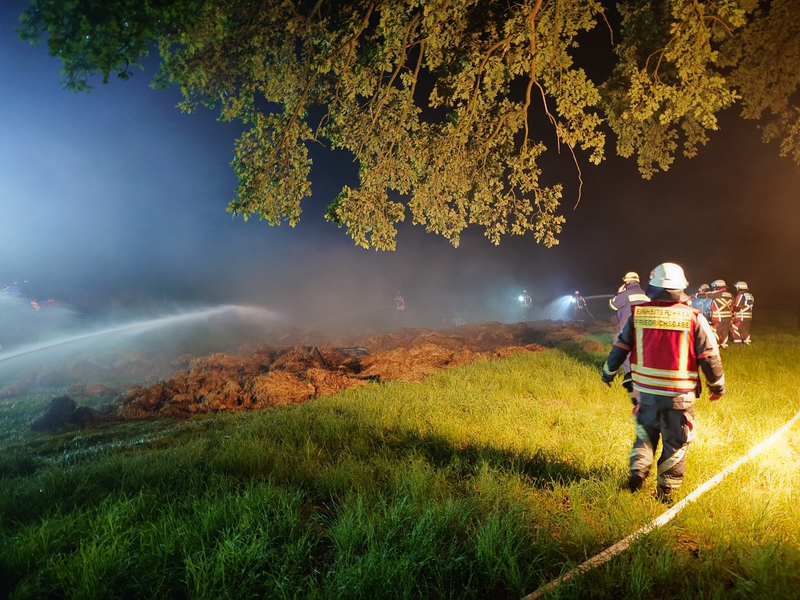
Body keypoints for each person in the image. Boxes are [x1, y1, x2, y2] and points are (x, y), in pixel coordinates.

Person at [601, 263, 725, 502]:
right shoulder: (694, 318)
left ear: (653, 286)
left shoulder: (637, 314)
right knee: (675, 442)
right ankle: (665, 492)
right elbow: (709, 356)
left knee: (645, 434)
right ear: (681, 288)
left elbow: (620, 348)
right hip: (678, 397)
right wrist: (717, 386)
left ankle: (638, 472)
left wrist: (607, 374)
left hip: (645, 394)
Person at [608, 271, 650, 404]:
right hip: (644, 329)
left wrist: (619, 293)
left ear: (626, 282)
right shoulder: (646, 295)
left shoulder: (625, 293)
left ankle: (630, 381)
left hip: (627, 329)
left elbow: (613, 305)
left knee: (626, 355)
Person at [706, 279, 733, 348]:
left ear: (716, 286)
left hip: (717, 317)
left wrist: (694, 295)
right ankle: (724, 344)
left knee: (715, 331)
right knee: (725, 331)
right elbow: (733, 305)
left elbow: (705, 295)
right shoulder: (730, 295)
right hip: (728, 317)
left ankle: (716, 345)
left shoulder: (715, 294)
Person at [731, 281, 754, 346]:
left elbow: (737, 306)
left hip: (741, 316)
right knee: (745, 329)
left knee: (734, 328)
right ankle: (748, 343)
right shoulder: (750, 295)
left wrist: (731, 310)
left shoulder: (740, 295)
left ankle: (737, 344)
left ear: (739, 288)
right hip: (749, 316)